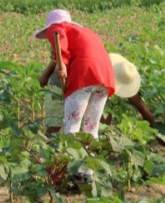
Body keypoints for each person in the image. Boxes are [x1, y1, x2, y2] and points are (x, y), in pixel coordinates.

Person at [35, 9, 115, 182]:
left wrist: (61, 63)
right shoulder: (84, 32)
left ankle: (72, 171)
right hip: (104, 77)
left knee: (72, 124)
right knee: (91, 128)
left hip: (84, 75)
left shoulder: (58, 28)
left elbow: (57, 33)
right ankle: (88, 173)